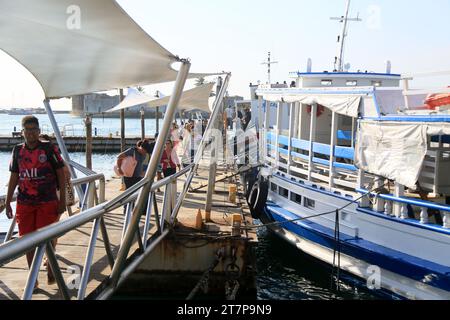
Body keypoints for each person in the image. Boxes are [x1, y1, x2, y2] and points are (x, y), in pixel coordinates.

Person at [5, 116, 66, 289]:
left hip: (47, 202)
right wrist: (8, 201)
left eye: (34, 129)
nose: (31, 133)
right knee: (27, 241)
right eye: (27, 129)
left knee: (46, 239)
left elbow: (61, 173)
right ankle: (34, 278)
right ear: (22, 132)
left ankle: (51, 269)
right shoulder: (17, 151)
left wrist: (62, 201)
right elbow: (14, 176)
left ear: (39, 131)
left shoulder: (48, 148)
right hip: (24, 203)